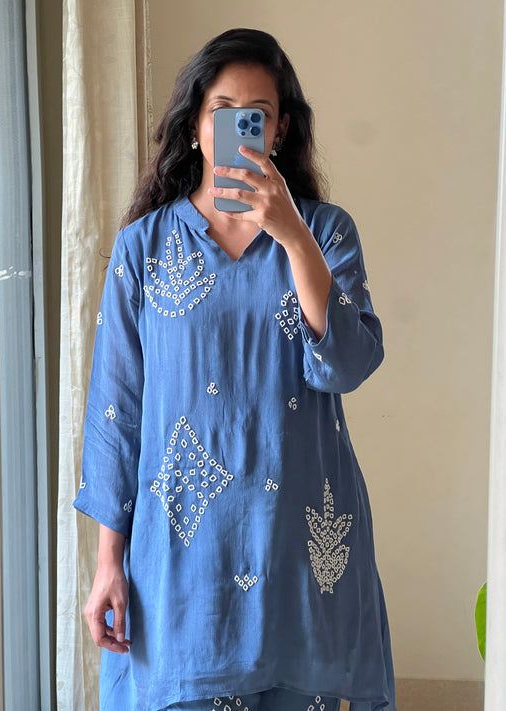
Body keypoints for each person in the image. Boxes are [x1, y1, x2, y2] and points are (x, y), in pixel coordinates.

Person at [74, 27, 397, 711]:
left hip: (298, 548)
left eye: (258, 114)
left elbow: (344, 365)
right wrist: (107, 562)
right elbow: (116, 412)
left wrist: (292, 234)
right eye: (223, 111)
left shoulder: (325, 233)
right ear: (195, 125)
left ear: (279, 131)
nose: (240, 128)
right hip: (181, 560)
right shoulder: (143, 249)